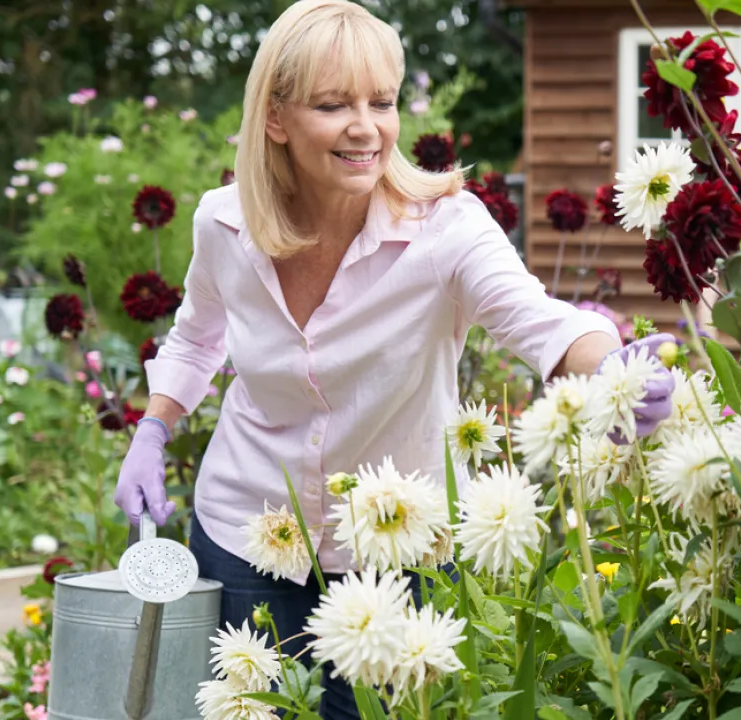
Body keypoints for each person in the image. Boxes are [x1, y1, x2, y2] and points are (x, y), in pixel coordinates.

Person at [113, 1, 675, 717]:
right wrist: (153, 430)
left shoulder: (446, 229)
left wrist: (612, 372)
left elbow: (544, 324)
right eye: (333, 104)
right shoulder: (224, 221)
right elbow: (196, 337)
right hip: (244, 531)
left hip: (392, 554)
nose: (366, 127)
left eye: (382, 102)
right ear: (277, 119)